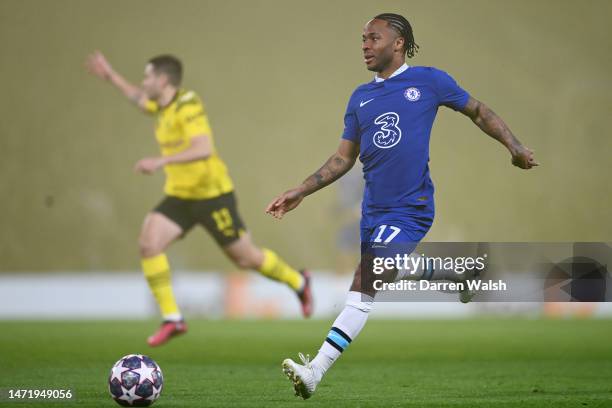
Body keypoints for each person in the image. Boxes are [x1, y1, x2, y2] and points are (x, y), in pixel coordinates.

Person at [265, 13, 538, 399]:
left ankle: (315, 371)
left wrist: (514, 147)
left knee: (366, 283)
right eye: (362, 38)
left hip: (411, 207)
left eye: (373, 38)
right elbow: (344, 159)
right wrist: (301, 190)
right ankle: (460, 275)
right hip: (373, 211)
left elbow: (477, 110)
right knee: (381, 275)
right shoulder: (360, 97)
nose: (364, 45)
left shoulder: (430, 81)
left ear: (398, 43)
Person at [85, 52, 312, 347]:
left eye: (147, 76)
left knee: (246, 258)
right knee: (149, 244)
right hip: (180, 196)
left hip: (212, 196)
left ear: (163, 80)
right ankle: (172, 318)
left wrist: (160, 161)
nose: (144, 83)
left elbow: (203, 148)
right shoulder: (160, 106)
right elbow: (138, 98)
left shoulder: (188, 104)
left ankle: (299, 282)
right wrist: (110, 75)